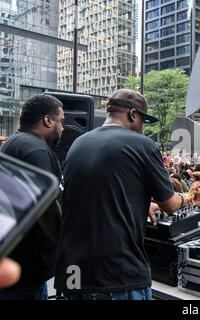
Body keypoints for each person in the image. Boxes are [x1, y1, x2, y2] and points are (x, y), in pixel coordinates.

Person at [54, 89, 184, 300]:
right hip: (117, 275)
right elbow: (170, 204)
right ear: (133, 114)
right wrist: (184, 198)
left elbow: (99, 194)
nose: (142, 127)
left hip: (73, 272)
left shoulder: (78, 144)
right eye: (143, 120)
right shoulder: (142, 145)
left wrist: (144, 205)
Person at [0, 94, 64, 300]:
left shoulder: (15, 142)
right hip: (25, 272)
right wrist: (66, 242)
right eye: (61, 121)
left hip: (19, 267)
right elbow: (46, 209)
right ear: (48, 120)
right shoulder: (35, 150)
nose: (62, 128)